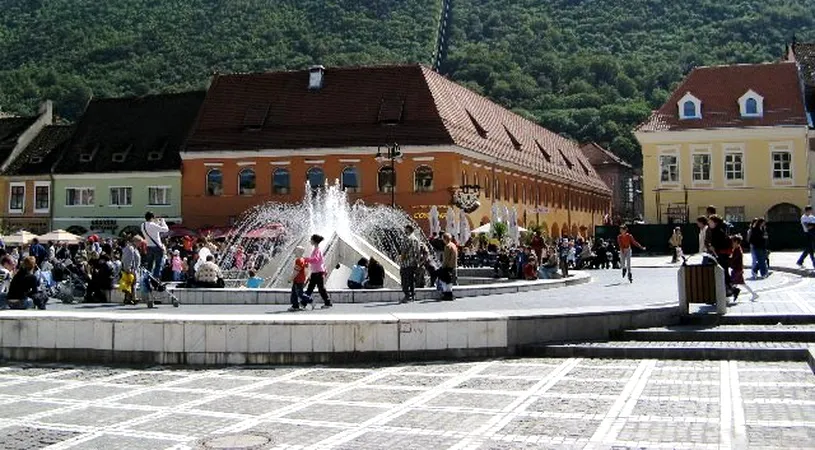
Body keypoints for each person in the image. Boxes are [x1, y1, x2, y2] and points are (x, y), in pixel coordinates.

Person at [708, 215, 734, 296]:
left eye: (710, 221)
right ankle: (729, 289)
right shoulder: (716, 231)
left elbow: (720, 244)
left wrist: (713, 247)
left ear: (715, 223)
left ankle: (730, 290)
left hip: (721, 255)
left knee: (722, 273)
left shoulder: (718, 232)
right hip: (720, 255)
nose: (709, 223)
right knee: (723, 273)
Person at [304, 234, 331, 308]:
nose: (310, 241)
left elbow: (316, 260)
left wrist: (306, 259)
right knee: (311, 288)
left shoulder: (317, 250)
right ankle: (304, 303)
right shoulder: (317, 249)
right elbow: (321, 261)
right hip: (316, 272)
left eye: (311, 239)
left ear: (314, 241)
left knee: (320, 288)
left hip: (318, 273)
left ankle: (327, 302)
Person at [399, 225, 423, 303]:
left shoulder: (407, 238)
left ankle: (407, 296)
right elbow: (419, 252)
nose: (404, 231)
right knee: (411, 280)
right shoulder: (416, 239)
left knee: (405, 280)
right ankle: (412, 295)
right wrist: (418, 262)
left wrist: (401, 260)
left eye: (405, 229)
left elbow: (403, 251)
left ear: (408, 229)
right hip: (414, 263)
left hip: (406, 263)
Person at [142, 211, 169, 279]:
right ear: (152, 218)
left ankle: (147, 279)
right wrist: (162, 221)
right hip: (157, 247)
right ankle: (155, 280)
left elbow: (152, 228)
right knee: (158, 265)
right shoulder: (153, 225)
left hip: (149, 247)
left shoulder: (143, 225)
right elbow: (166, 229)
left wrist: (156, 222)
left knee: (149, 265)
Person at [730, 234, 754, 301]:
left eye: (733, 242)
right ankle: (754, 294)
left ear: (736, 242)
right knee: (742, 284)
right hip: (738, 269)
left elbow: (732, 259)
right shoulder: (738, 248)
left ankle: (733, 293)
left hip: (737, 269)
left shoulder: (737, 251)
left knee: (732, 283)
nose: (732, 244)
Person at [120, 236, 142, 305]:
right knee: (129, 283)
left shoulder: (134, 248)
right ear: (135, 241)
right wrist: (128, 268)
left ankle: (130, 298)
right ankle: (130, 298)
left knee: (132, 284)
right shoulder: (130, 248)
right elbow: (127, 259)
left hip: (134, 269)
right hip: (130, 269)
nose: (140, 244)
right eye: (139, 242)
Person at [288, 246, 311, 311]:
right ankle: (295, 306)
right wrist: (306, 278)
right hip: (301, 279)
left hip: (297, 280)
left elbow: (296, 271)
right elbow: (306, 270)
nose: (294, 252)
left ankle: (309, 300)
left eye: (295, 250)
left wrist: (290, 279)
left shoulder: (298, 260)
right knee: (296, 293)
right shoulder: (304, 260)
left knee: (297, 294)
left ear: (299, 252)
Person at [439, 233, 458, 300]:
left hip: (448, 266)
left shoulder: (447, 246)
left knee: (445, 280)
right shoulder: (454, 245)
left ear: (445, 239)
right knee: (450, 281)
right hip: (453, 265)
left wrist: (443, 267)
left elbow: (446, 259)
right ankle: (450, 294)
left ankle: (447, 294)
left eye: (443, 239)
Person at [796, 205, 815, 270]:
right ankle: (814, 263)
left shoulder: (812, 217)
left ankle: (800, 261)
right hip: (807, 234)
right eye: (810, 210)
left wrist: (811, 225)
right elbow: (807, 227)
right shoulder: (803, 217)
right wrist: (811, 225)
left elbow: (811, 225)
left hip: (813, 233)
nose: (811, 212)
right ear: (807, 210)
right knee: (811, 249)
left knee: (808, 249)